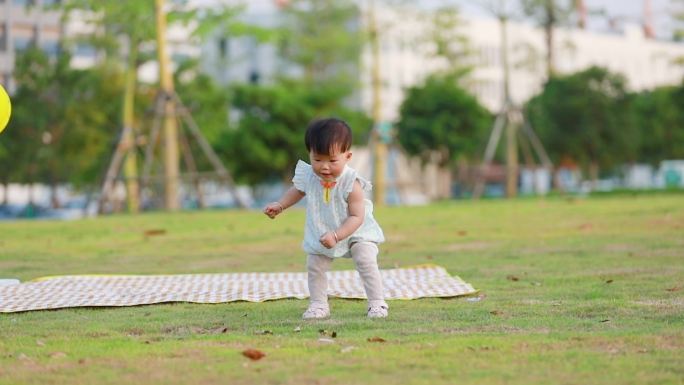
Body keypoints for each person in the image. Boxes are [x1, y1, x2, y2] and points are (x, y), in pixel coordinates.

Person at [263, 118, 388, 319]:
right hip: (324, 230)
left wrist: (338, 235)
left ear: (347, 156)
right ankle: (318, 305)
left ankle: (377, 303)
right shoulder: (309, 176)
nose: (324, 167)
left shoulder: (351, 183)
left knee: (365, 258)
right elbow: (297, 191)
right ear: (310, 155)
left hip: (357, 230)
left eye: (332, 160)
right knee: (315, 265)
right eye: (318, 159)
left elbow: (357, 216)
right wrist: (280, 205)